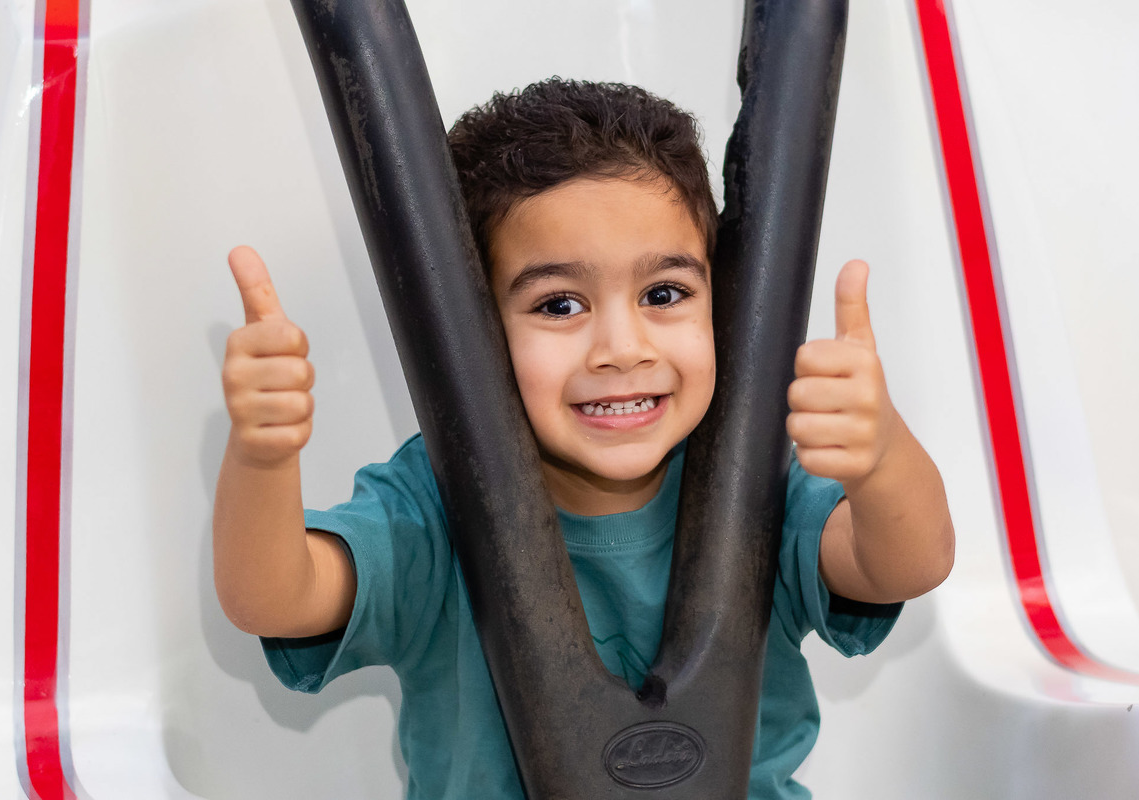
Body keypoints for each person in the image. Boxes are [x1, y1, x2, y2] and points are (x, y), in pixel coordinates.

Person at [214, 79, 954, 799]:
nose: (621, 347)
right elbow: (276, 599)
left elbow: (906, 563)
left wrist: (881, 457)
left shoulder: (749, 486)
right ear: (476, 332)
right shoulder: (435, 508)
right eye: (559, 304)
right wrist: (262, 455)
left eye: (663, 294)